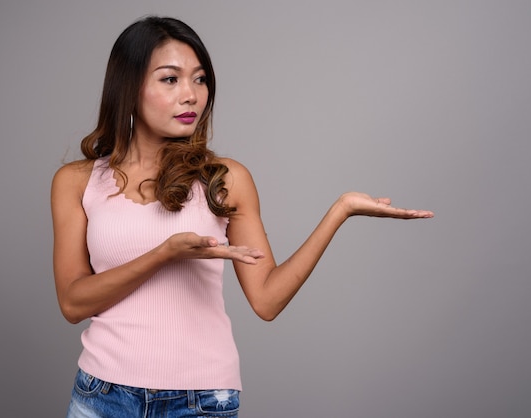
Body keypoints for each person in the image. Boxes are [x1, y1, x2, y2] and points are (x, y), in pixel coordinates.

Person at [51, 15, 434, 418]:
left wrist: (340, 211)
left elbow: (267, 300)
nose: (191, 96)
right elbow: (73, 303)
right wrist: (164, 254)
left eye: (200, 80)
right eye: (170, 79)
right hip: (103, 395)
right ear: (129, 89)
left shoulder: (226, 179)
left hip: (200, 402)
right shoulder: (76, 182)